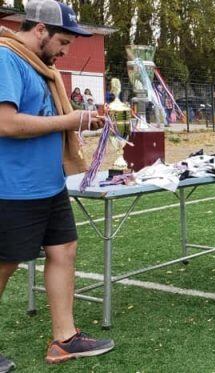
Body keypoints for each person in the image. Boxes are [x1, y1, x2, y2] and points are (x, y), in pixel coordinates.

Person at [0, 0, 114, 367]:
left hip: (47, 183)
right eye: (63, 42)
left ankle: (64, 339)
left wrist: (82, 121)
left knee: (63, 250)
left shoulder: (40, 66)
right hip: (13, 185)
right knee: (4, 264)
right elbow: (7, 123)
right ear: (40, 31)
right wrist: (70, 121)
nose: (66, 51)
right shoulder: (6, 59)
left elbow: (48, 117)